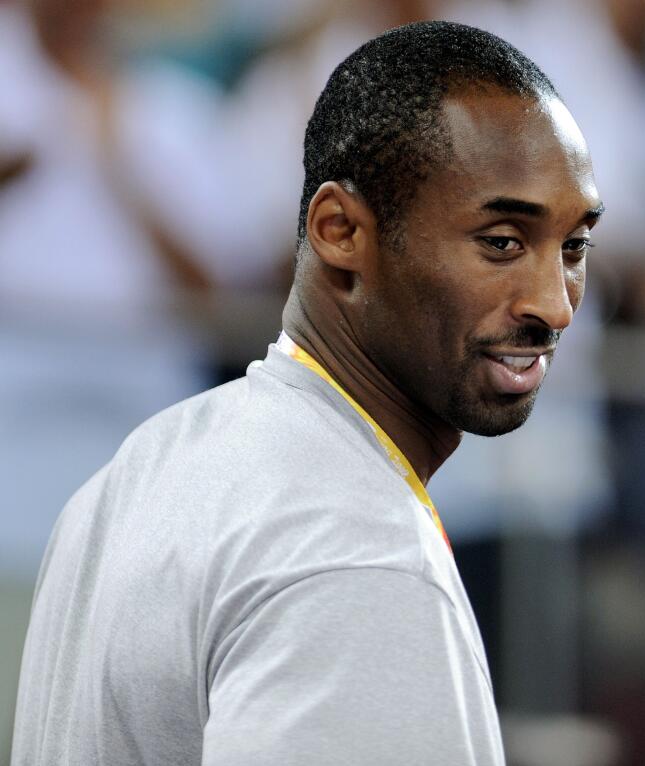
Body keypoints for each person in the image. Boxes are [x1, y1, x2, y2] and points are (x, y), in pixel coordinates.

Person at [12, 20, 602, 765]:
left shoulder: (140, 467)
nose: (553, 303)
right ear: (339, 230)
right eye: (502, 243)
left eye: (574, 245)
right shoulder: (354, 554)